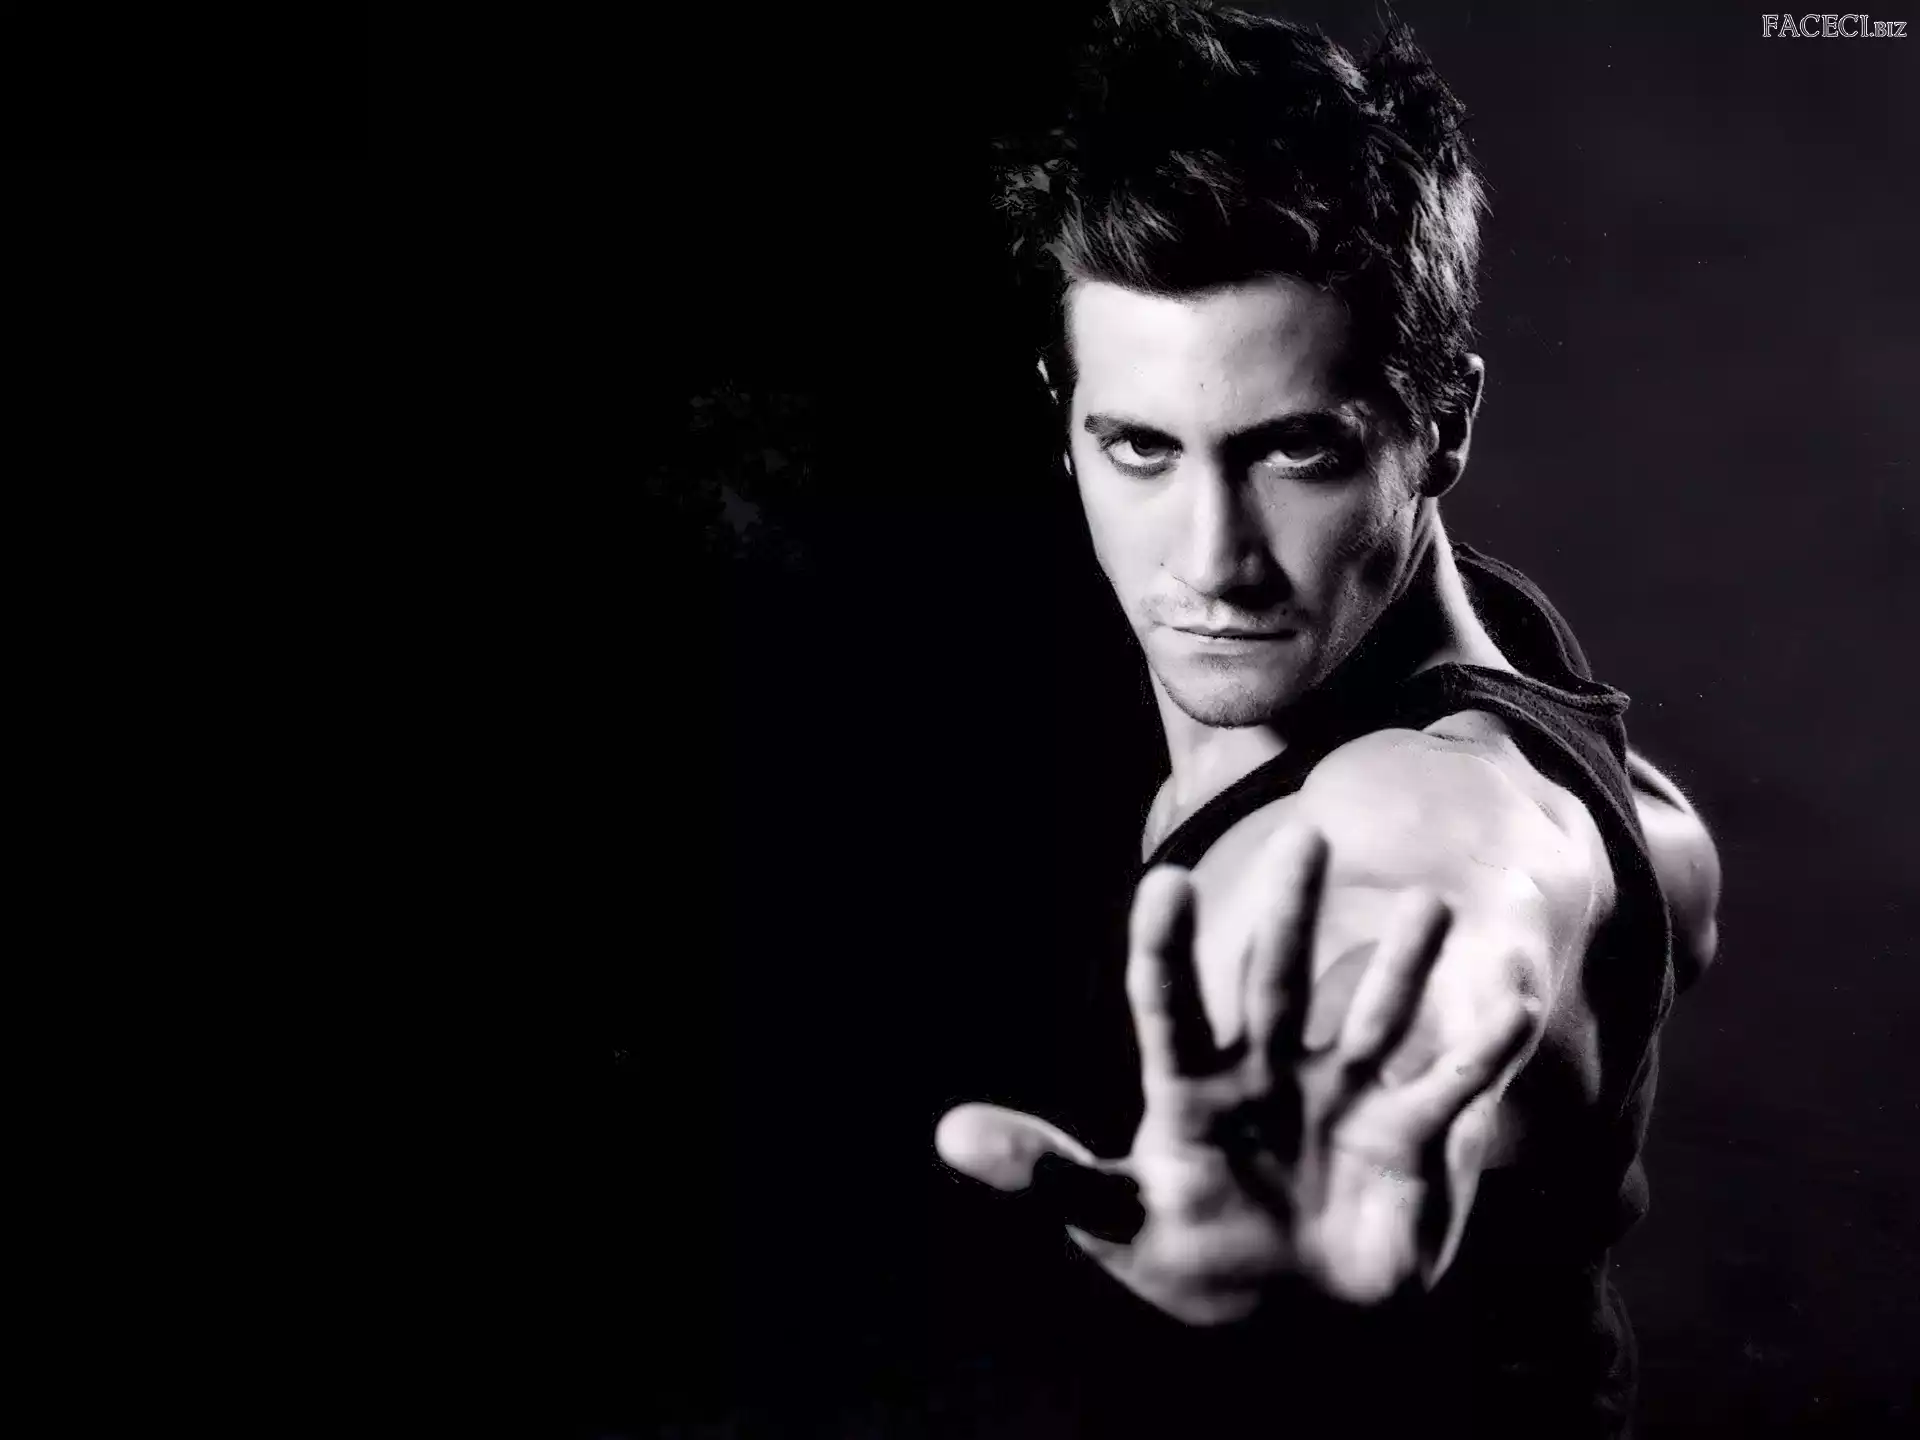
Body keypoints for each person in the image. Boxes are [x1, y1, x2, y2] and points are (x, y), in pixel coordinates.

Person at [932, 4, 1721, 1434]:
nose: (1211, 560)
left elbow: (1462, 884)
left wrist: (1347, 1113)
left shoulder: (1464, 803)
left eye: (1296, 452)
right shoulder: (1531, 678)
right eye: (1141, 448)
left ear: (1445, 425)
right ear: (1065, 414)